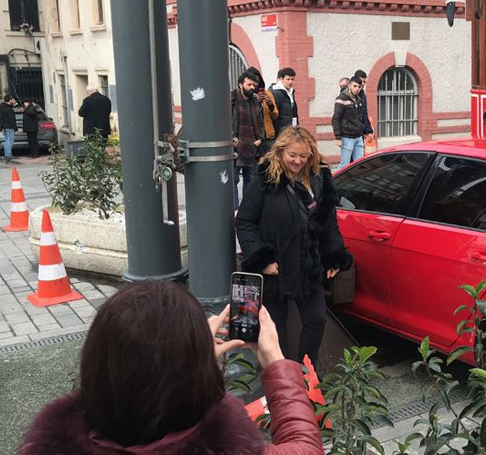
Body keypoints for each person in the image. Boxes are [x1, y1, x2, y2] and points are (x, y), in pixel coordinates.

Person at [19, 280, 324, 454]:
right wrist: (275, 362)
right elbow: (305, 448)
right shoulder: (228, 447)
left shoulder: (50, 444)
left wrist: (188, 357)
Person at [236, 126, 353, 366]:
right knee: (276, 328)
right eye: (292, 155)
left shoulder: (320, 176)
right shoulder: (265, 178)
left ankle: (305, 369)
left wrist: (333, 255)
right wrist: (261, 259)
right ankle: (284, 374)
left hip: (309, 264)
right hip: (276, 266)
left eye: (303, 156)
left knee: (316, 319)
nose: (298, 161)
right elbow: (245, 221)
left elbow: (328, 220)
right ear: (280, 152)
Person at [231, 69, 266, 209]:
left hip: (252, 146)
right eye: (249, 84)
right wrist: (231, 136)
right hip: (235, 146)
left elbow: (261, 122)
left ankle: (246, 207)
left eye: (254, 85)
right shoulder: (231, 99)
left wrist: (261, 139)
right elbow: (224, 120)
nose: (252, 88)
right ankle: (234, 208)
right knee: (233, 179)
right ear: (241, 84)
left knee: (250, 178)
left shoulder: (255, 101)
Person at [332, 76, 366, 171]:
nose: (357, 89)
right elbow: (336, 119)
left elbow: (360, 117)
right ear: (349, 85)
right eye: (355, 86)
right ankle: (333, 182)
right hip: (347, 137)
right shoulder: (341, 99)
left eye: (359, 87)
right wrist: (338, 137)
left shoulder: (358, 99)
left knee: (359, 164)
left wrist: (363, 130)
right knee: (345, 165)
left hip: (358, 137)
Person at [247, 67, 280, 156]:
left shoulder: (267, 94)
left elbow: (275, 115)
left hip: (267, 135)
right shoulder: (245, 96)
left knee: (270, 162)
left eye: (257, 81)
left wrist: (270, 104)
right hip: (252, 137)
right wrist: (256, 101)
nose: (255, 84)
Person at [270, 68, 298, 136]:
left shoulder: (290, 92)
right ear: (281, 79)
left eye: (292, 79)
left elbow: (294, 113)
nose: (290, 82)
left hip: (292, 130)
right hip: (281, 133)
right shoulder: (276, 93)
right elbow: (274, 115)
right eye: (288, 79)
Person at [353, 70, 375, 146]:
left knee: (360, 157)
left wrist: (369, 131)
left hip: (359, 133)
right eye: (361, 81)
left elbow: (364, 114)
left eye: (364, 82)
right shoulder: (347, 94)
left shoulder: (362, 95)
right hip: (348, 134)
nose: (363, 84)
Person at [0, 94, 16, 163]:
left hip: (4, 127)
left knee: (6, 141)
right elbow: (12, 120)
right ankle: (8, 155)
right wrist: (15, 129)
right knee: (9, 141)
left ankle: (7, 154)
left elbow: (0, 118)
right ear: (9, 100)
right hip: (9, 127)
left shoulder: (2, 108)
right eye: (12, 100)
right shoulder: (9, 109)